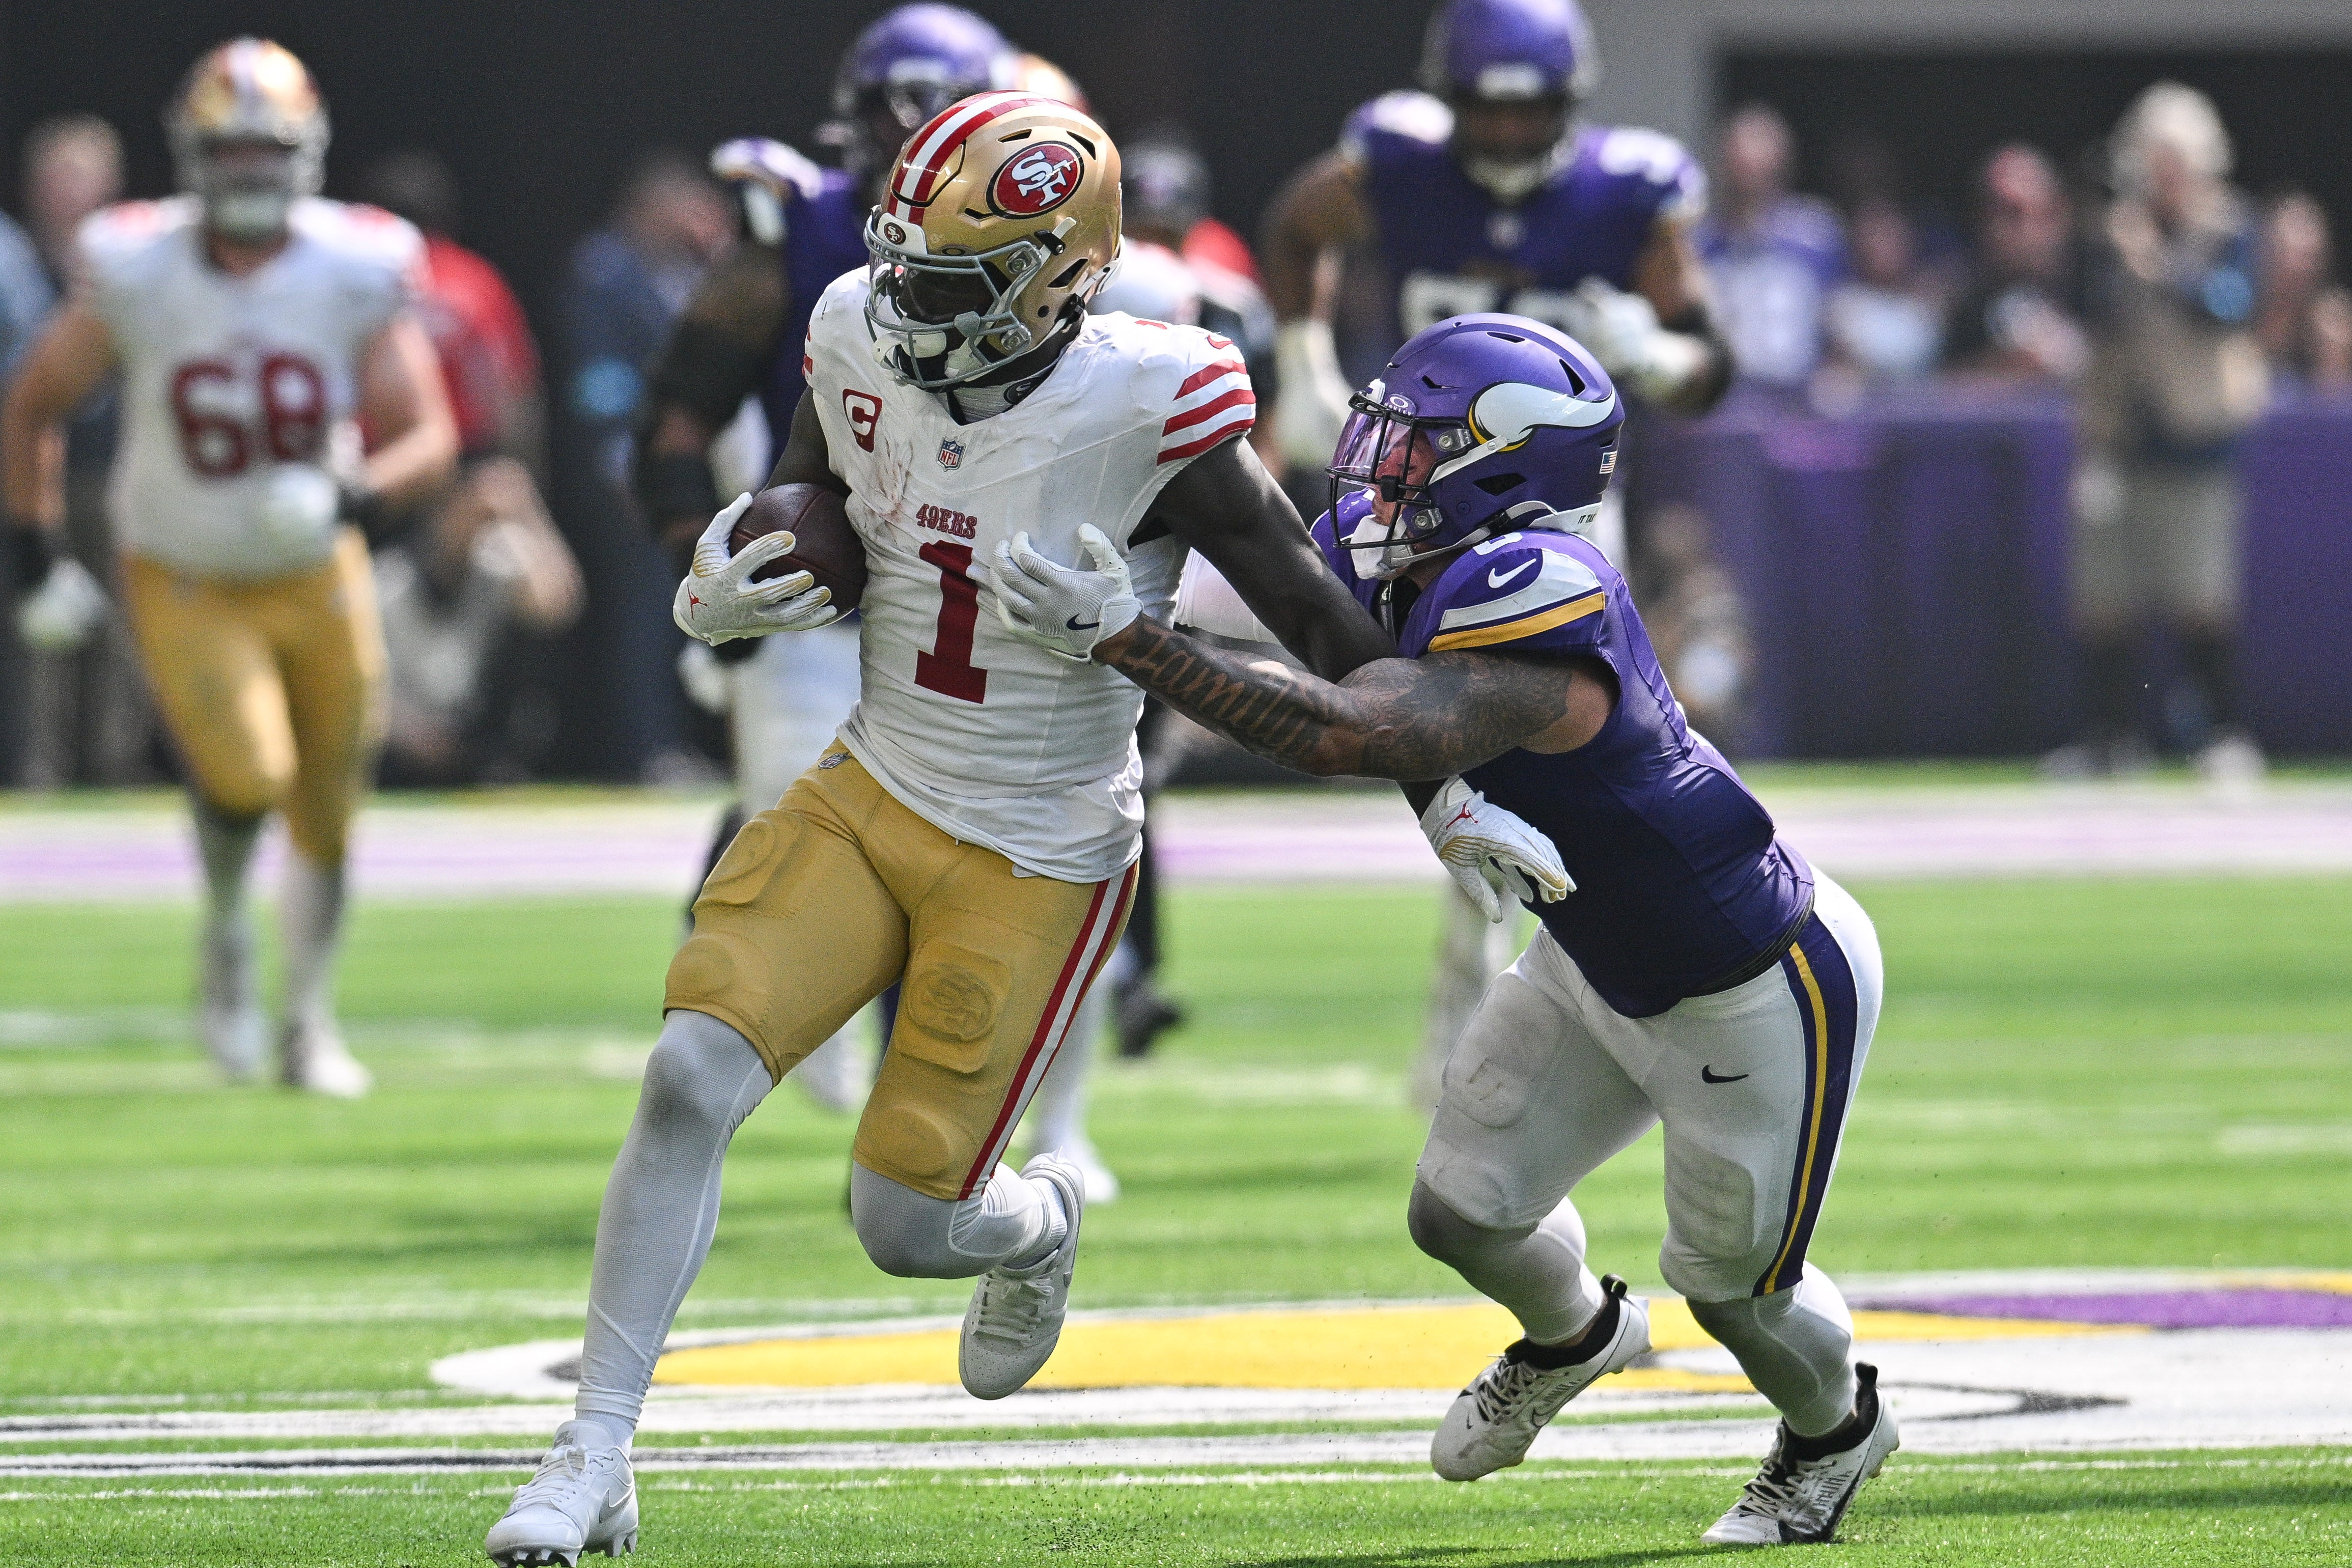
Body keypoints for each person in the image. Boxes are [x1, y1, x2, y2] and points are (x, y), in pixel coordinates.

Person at [483, 93, 1425, 1564]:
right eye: (902, 268)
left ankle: (1034, 1223)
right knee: (686, 1072)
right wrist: (725, 573)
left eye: (950, 281)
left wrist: (1455, 769)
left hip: (1037, 847)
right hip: (872, 783)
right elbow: (816, 488)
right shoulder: (857, 319)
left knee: (903, 1225)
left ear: (1068, 273)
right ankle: (593, 1452)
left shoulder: (1154, 401)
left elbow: (1319, 624)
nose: (907, 307)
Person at [991, 313, 1893, 1546]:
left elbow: (1350, 729)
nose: (1374, 463)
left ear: (1505, 469)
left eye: (1411, 446)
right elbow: (1270, 607)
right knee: (1460, 1210)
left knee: (1737, 1296)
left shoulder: (1543, 591)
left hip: (1749, 978)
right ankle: (1578, 1332)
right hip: (1592, 954)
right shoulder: (1408, 555)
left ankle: (1836, 1433)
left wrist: (1130, 638)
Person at [1259, 0, 1733, 1107]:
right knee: (1438, 735)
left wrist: (1661, 358)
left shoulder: (1630, 190)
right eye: (1489, 111)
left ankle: (1521, 1024)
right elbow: (1295, 229)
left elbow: (1716, 364)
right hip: (1418, 500)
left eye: (1532, 115)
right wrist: (1299, 359)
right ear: (1452, 102)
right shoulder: (1400, 158)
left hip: (1560, 515)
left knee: (1544, 764)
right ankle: (1479, 1031)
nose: (1511, 137)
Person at [1, 39, 458, 1093]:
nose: (250, 173)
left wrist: (358, 490)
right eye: (231, 151)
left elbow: (427, 432)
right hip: (186, 568)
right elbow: (34, 403)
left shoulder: (354, 263)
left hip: (316, 566)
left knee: (334, 811)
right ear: (192, 154)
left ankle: (307, 1021)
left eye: (268, 151)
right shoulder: (135, 261)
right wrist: (31, 557)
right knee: (251, 775)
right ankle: (223, 930)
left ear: (305, 154)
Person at [633, 5, 1018, 1117]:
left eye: (930, 112)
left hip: (970, 593)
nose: (907, 137)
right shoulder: (790, 238)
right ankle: (813, 1056)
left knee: (969, 856)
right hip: (823, 597)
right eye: (885, 112)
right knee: (817, 843)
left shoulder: (1044, 237)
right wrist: (704, 567)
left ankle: (934, 1098)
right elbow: (670, 422)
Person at [2060, 82, 2269, 783]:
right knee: (2105, 596)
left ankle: (2220, 732)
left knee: (2201, 596)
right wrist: (2118, 255)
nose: (2165, 176)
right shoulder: (2114, 229)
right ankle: (2111, 739)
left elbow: (2228, 307)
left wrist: (2158, 261)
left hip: (2197, 436)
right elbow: (2088, 310)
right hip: (2120, 435)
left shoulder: (2227, 226)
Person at [554, 150, 734, 781]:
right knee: (643, 613)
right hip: (633, 476)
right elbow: (600, 385)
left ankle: (685, 743)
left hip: (688, 474)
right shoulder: (606, 272)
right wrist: (629, 470)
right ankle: (646, 750)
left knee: (686, 611)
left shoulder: (691, 273)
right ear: (647, 208)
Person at [13, 116, 151, 790]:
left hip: (116, 466)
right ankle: (40, 767)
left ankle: (116, 765)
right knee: (36, 623)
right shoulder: (9, 259)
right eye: (55, 175)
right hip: (30, 473)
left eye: (80, 175)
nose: (66, 191)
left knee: (124, 624)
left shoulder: (137, 259)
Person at [1698, 104, 1845, 401]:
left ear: (1781, 166)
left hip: (1797, 401)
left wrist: (1838, 374)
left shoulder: (1814, 234)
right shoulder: (1699, 243)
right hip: (1726, 403)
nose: (1749, 174)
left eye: (1760, 166)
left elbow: (1839, 318)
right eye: (1741, 166)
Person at [1941, 144, 2088, 385]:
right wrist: (2010, 367)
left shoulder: (2101, 282)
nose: (1998, 230)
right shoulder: (1970, 303)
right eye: (1991, 213)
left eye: (2013, 213)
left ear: (2056, 212)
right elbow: (1944, 391)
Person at [2254, 191, 2352, 391]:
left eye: (2308, 258)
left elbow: (2332, 403)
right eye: (2286, 253)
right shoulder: (2235, 312)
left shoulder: (2330, 324)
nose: (2299, 271)